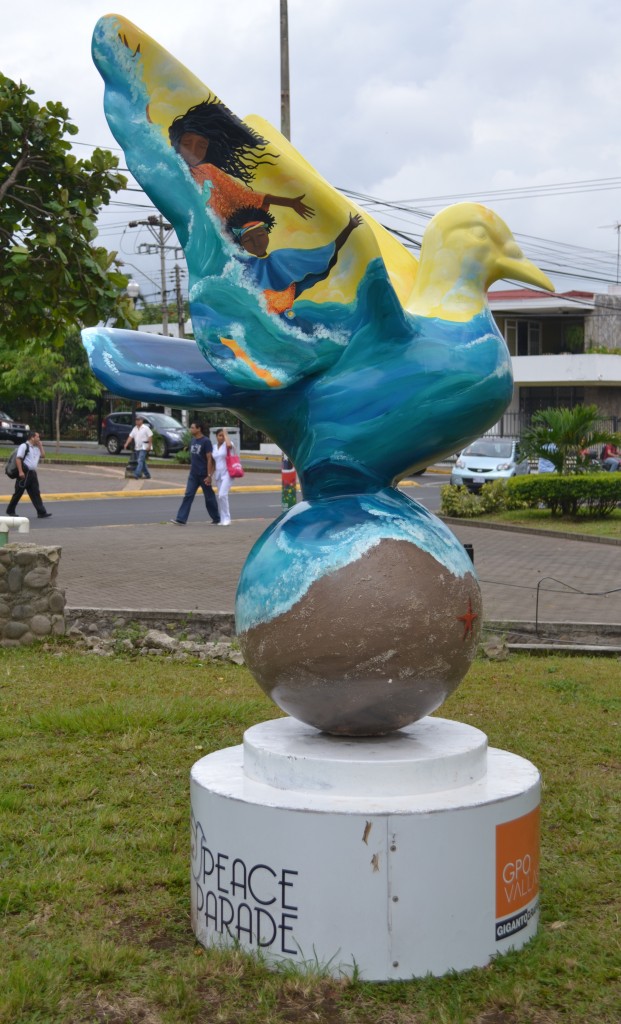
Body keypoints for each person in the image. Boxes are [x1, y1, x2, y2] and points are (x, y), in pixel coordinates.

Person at [168, 98, 314, 224]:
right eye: (186, 144)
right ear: (176, 143)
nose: (193, 151)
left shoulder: (209, 171)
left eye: (202, 146)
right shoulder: (168, 167)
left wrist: (290, 202)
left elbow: (245, 195)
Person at [227, 208, 363, 315]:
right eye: (247, 240)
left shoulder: (283, 257)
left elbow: (325, 253)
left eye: (260, 235)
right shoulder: (243, 264)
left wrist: (349, 227)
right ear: (241, 245)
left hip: (282, 318)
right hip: (261, 318)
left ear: (267, 234)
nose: (256, 243)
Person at [170, 420, 220, 525]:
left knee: (209, 497)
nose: (190, 429)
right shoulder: (192, 440)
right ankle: (181, 519)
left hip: (204, 475)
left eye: (192, 427)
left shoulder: (206, 441)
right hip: (193, 474)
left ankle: (216, 518)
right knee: (188, 495)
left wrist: (209, 475)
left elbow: (210, 459)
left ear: (199, 429)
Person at [5, 430, 52, 519]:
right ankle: (10, 510)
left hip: (33, 474)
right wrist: (20, 472)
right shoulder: (24, 446)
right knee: (18, 493)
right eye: (37, 437)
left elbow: (43, 456)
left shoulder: (36, 447)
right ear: (32, 437)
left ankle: (41, 512)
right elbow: (18, 459)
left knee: (35, 493)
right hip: (24, 473)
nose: (39, 439)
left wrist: (40, 446)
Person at [212, 428, 234, 525]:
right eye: (220, 435)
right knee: (221, 497)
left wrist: (225, 433)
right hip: (218, 475)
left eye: (223, 435)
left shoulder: (228, 444)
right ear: (216, 437)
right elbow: (213, 462)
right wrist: (209, 475)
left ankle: (227, 518)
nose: (222, 437)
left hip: (228, 473)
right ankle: (223, 518)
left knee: (222, 495)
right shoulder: (214, 447)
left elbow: (229, 445)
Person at [122, 414, 153, 479]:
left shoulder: (146, 428)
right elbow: (130, 436)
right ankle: (147, 475)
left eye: (138, 420)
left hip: (144, 446)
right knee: (142, 462)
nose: (137, 421)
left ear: (142, 421)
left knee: (140, 460)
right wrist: (126, 443)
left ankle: (137, 474)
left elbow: (150, 436)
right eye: (136, 420)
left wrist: (149, 446)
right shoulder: (134, 429)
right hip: (137, 447)